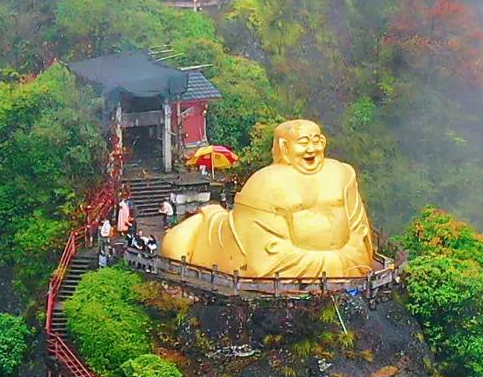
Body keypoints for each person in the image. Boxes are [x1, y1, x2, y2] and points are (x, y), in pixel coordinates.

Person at [157, 118, 380, 279]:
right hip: (232, 251)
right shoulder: (266, 182)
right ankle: (199, 225)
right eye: (303, 142)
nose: (312, 148)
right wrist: (341, 263)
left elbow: (361, 238)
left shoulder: (342, 174)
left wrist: (347, 259)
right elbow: (264, 262)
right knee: (175, 247)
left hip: (325, 266)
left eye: (317, 141)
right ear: (284, 147)